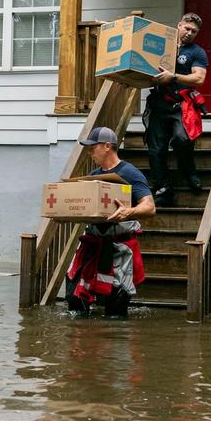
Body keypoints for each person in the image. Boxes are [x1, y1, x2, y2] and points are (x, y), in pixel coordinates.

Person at [64, 126, 157, 317]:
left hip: (119, 247)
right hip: (93, 244)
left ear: (107, 146)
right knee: (75, 299)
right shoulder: (94, 177)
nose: (89, 152)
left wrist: (128, 212)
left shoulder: (130, 173)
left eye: (93, 147)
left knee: (115, 309)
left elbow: (150, 207)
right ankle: (79, 343)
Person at [144, 13, 208, 207]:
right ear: (179, 25)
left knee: (182, 138)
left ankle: (189, 171)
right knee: (156, 148)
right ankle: (163, 187)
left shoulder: (197, 52)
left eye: (193, 31)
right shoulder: (161, 45)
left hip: (181, 104)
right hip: (158, 103)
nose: (189, 33)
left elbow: (199, 79)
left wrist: (173, 77)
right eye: (186, 28)